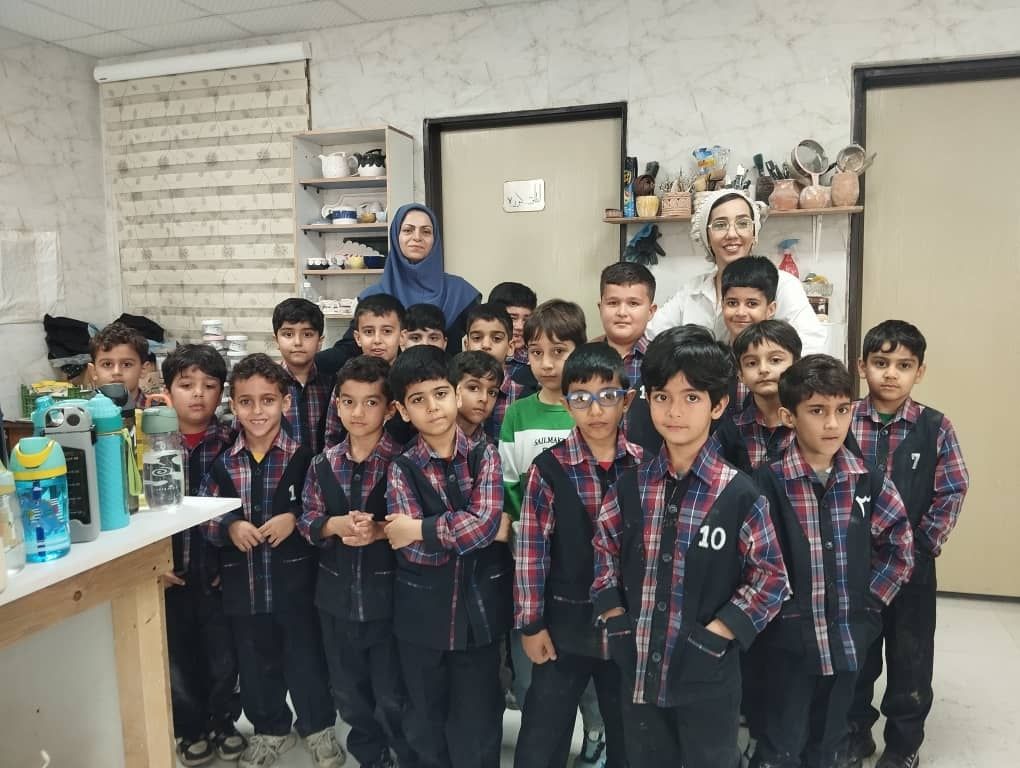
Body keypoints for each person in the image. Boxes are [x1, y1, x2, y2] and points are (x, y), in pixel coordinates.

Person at [592, 325, 789, 768]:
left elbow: (771, 579)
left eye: (692, 397)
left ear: (718, 405)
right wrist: (615, 618)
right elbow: (603, 554)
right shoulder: (630, 487)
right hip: (639, 669)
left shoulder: (740, 494)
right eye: (662, 396)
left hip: (708, 675)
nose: (675, 411)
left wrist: (717, 634)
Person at [749, 355, 914, 768]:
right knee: (781, 740)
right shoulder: (763, 484)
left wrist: (868, 607)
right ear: (789, 417)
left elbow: (899, 547)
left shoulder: (869, 480)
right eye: (817, 411)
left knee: (831, 741)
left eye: (842, 410)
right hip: (785, 647)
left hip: (846, 640)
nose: (832, 424)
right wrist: (775, 616)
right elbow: (750, 564)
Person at [200, 354, 345, 768]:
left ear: (285, 402)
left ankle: (318, 727)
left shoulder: (308, 459)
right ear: (233, 405)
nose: (257, 411)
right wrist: (229, 526)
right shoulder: (224, 463)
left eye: (267, 400)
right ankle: (269, 729)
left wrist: (294, 517)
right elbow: (204, 515)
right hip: (243, 587)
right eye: (246, 402)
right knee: (254, 662)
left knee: (306, 659)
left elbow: (321, 513)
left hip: (297, 588)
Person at [845, 321, 969, 768]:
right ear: (862, 366)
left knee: (910, 657)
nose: (891, 374)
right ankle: (853, 732)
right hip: (854, 564)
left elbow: (952, 489)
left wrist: (922, 545)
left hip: (912, 566)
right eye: (881, 363)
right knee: (855, 655)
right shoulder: (843, 418)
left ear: (920, 371)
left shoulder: (935, 426)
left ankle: (902, 744)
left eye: (903, 365)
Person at [383, 345, 512, 768]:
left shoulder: (485, 454)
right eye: (418, 400)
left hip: (479, 614)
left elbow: (485, 525)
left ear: (456, 395)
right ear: (403, 411)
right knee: (424, 719)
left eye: (440, 394)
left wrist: (421, 527)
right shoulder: (401, 468)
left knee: (478, 720)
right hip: (421, 618)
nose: (432, 407)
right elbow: (416, 553)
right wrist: (463, 530)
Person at [513, 343, 642, 768]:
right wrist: (531, 623)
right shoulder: (548, 469)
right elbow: (531, 552)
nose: (596, 409)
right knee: (543, 732)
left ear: (627, 400)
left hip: (628, 629)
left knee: (631, 734)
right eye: (582, 398)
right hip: (562, 626)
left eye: (608, 396)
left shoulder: (645, 466)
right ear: (567, 405)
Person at [298, 355, 415, 768]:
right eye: (348, 402)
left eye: (370, 402)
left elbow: (417, 524)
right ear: (337, 405)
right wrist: (333, 524)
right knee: (349, 692)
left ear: (390, 409)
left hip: (390, 602)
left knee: (393, 692)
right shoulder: (322, 464)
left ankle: (403, 754)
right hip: (336, 601)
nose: (358, 412)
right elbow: (307, 520)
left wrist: (378, 529)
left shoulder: (406, 462)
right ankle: (370, 755)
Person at [161, 344, 244, 766]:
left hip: (216, 571)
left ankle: (222, 722)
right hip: (169, 573)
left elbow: (243, 507)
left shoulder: (231, 442)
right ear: (167, 391)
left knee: (223, 654)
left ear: (221, 393)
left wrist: (229, 563)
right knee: (177, 655)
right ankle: (189, 727)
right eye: (186, 385)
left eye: (209, 385)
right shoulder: (150, 443)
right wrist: (154, 564)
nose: (198, 394)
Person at [645, 189, 825, 354]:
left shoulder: (783, 285)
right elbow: (650, 335)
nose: (732, 234)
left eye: (742, 223)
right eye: (720, 225)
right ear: (706, 236)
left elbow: (812, 348)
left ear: (754, 233)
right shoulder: (693, 290)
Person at [320, 204, 480, 366]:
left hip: (445, 381)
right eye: (408, 230)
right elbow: (348, 349)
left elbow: (483, 340)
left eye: (426, 231)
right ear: (396, 236)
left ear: (435, 238)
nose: (417, 237)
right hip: (386, 381)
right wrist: (311, 360)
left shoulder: (459, 292)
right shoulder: (373, 296)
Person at [714, 320, 801, 475]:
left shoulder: (809, 422)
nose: (763, 369)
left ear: (796, 365)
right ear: (740, 375)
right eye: (752, 363)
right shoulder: (729, 432)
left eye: (775, 360)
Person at [323, 294, 409, 450]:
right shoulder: (346, 378)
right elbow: (332, 436)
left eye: (387, 331)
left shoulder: (410, 380)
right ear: (357, 337)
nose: (377, 340)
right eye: (369, 332)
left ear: (402, 337)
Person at [274, 298, 332, 455]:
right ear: (276, 340)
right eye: (288, 334)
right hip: (279, 468)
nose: (298, 342)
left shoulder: (331, 385)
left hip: (323, 468)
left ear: (320, 341)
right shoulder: (266, 385)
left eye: (307, 334)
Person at [462, 302, 522, 440]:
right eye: (477, 338)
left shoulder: (523, 396)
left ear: (510, 347)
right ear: (467, 345)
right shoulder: (454, 392)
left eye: (496, 339)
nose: (486, 345)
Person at [595, 262, 657, 389]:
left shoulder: (661, 361)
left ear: (650, 312)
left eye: (633, 303)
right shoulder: (583, 358)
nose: (622, 313)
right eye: (613, 303)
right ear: (600, 308)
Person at [87, 321, 150, 408]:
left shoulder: (160, 413)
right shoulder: (84, 412)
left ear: (143, 369)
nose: (116, 372)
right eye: (107, 364)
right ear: (93, 371)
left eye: (127, 364)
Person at [719, 256, 779, 344]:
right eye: (732, 303)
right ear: (722, 305)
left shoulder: (781, 351)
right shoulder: (715, 352)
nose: (740, 313)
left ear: (770, 310)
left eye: (752, 304)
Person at [450, 350, 504, 445]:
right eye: (473, 388)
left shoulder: (490, 451)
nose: (484, 399)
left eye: (492, 393)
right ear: (452, 389)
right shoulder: (429, 440)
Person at [489, 281, 538, 382]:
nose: (520, 327)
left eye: (526, 319)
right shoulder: (479, 353)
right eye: (512, 318)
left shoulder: (536, 361)